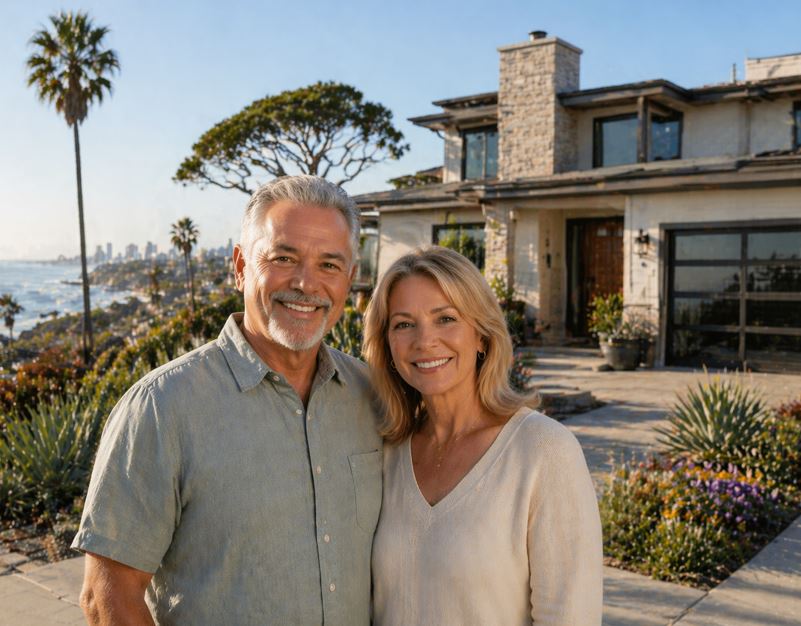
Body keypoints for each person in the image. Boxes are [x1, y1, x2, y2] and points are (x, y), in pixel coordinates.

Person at [72, 175, 382, 625]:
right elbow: (107, 598)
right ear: (240, 265)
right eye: (283, 257)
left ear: (350, 279)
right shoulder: (162, 408)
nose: (306, 284)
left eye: (329, 265)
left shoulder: (371, 394)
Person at [363, 246, 602, 625]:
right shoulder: (387, 451)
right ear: (388, 346)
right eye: (404, 324)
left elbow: (569, 616)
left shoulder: (543, 450)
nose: (425, 341)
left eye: (445, 319)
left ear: (481, 336)